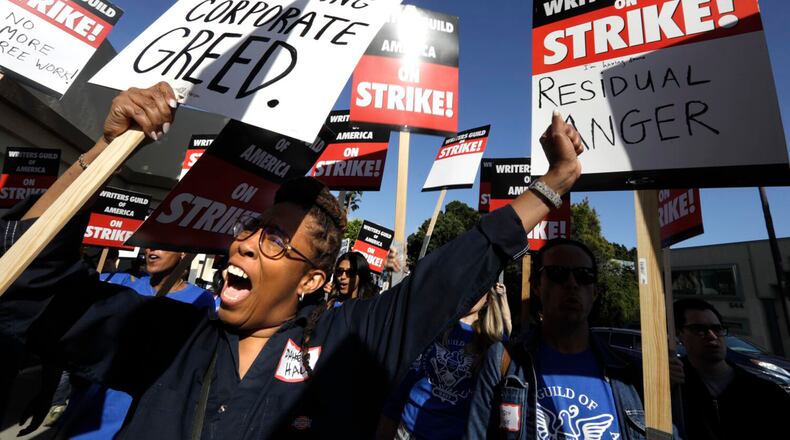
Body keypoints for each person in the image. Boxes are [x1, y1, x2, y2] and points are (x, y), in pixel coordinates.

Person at [0, 83, 584, 439]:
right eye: (249, 228)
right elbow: (31, 286)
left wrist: (554, 183)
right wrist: (103, 151)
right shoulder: (168, 335)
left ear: (311, 278)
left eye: (275, 239)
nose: (247, 243)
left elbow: (448, 275)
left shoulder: (350, 344)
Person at [466, 238, 650, 440]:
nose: (572, 284)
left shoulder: (633, 375)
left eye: (584, 276)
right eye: (557, 274)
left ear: (595, 291)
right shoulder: (504, 361)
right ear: (536, 285)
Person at [55, 247, 215, 439]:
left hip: (144, 408)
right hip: (94, 404)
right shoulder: (121, 283)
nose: (151, 249)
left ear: (184, 254)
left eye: (163, 244)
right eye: (150, 244)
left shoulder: (201, 300)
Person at [379, 282, 511, 439]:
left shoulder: (493, 343)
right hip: (407, 430)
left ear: (488, 296)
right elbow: (404, 381)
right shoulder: (433, 325)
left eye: (480, 285)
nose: (472, 290)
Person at [671, 298, 790, 439]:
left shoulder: (764, 392)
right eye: (699, 330)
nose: (712, 336)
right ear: (679, 335)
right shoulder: (675, 388)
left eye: (717, 329)